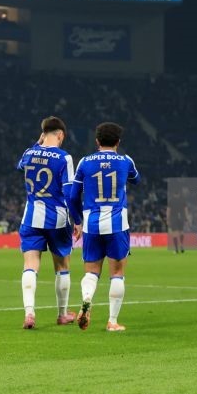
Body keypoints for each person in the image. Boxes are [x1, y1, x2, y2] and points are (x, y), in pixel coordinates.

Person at [69, 122, 140, 332]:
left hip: (92, 225)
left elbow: (73, 196)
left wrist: (77, 221)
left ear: (97, 141)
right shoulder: (125, 161)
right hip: (117, 225)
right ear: (118, 141)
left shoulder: (85, 162)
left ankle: (87, 298)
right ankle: (112, 321)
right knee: (117, 272)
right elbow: (136, 179)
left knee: (91, 272)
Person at [16, 116, 77, 329]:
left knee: (30, 265)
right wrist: (77, 219)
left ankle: (29, 313)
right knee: (62, 266)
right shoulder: (64, 158)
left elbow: (19, 166)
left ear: (43, 134)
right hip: (57, 219)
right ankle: (62, 314)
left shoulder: (29, 153)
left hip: (31, 218)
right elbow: (69, 192)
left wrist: (38, 142)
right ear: (60, 135)